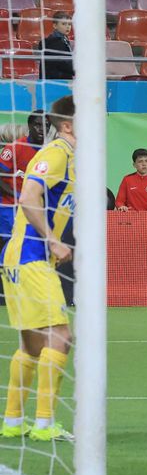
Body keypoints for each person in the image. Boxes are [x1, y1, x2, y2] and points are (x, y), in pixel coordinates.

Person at [0, 96, 76, 443]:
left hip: (21, 257)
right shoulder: (56, 153)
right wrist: (52, 241)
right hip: (31, 255)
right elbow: (28, 197)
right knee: (61, 336)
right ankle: (44, 425)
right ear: (68, 125)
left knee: (32, 345)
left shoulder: (71, 158)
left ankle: (13, 421)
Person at [0, 111, 45, 250]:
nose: (42, 129)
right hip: (8, 206)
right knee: (10, 244)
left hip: (30, 207)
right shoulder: (15, 148)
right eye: (37, 125)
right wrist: (18, 196)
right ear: (30, 126)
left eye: (46, 125)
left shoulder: (47, 151)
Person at [40, 12, 73, 81]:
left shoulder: (63, 39)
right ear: (55, 26)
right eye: (64, 24)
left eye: (69, 24)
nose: (68, 27)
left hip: (61, 78)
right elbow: (63, 63)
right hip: (55, 81)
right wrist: (78, 70)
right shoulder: (54, 42)